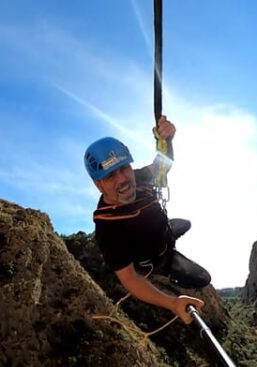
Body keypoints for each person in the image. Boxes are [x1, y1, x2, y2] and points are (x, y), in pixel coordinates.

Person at [84, 116, 211, 324]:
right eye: (110, 176)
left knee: (185, 223)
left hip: (162, 231)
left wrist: (167, 140)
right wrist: (172, 303)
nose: (123, 179)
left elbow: (162, 165)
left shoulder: (139, 177)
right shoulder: (108, 225)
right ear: (99, 185)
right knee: (204, 279)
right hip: (157, 258)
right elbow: (130, 278)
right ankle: (168, 259)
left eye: (124, 168)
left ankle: (169, 233)